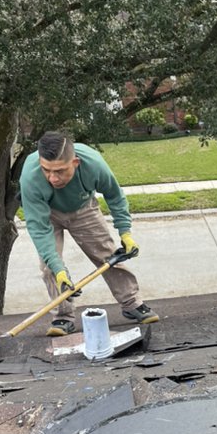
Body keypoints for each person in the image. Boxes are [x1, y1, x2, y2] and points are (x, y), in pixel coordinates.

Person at [19, 131, 159, 337]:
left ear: (75, 162)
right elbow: (38, 229)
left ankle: (132, 303)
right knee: (50, 268)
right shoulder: (30, 177)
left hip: (83, 208)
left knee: (107, 255)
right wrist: (59, 270)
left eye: (59, 171)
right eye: (46, 170)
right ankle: (63, 317)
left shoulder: (93, 164)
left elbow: (114, 195)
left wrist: (125, 233)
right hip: (46, 214)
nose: (52, 178)